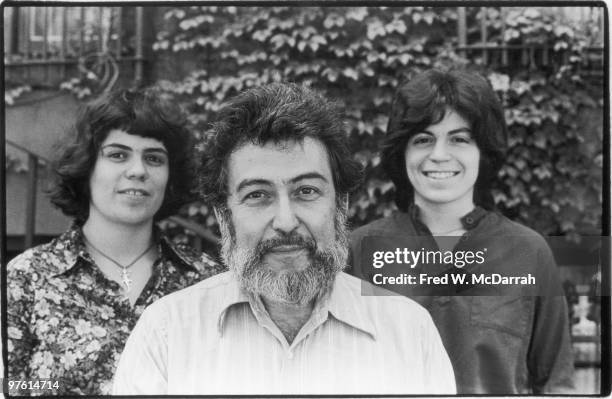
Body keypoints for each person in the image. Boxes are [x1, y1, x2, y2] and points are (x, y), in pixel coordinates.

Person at [112, 82, 456, 395]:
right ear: (223, 216)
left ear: (341, 204)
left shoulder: (410, 334)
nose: (286, 221)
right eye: (258, 195)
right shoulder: (166, 335)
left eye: (307, 191)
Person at [349, 68, 575, 394]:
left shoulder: (529, 252)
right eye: (424, 139)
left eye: (460, 138)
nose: (439, 155)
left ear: (483, 152)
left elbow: (557, 385)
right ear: (403, 153)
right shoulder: (360, 250)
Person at [6, 87, 224, 395]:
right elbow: (9, 386)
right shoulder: (26, 278)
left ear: (170, 176)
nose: (138, 171)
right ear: (87, 168)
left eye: (154, 158)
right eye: (118, 155)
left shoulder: (207, 282)